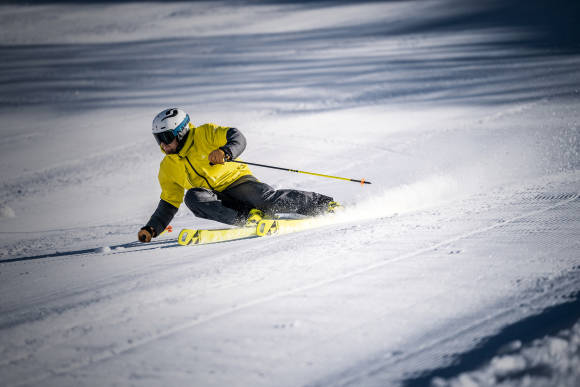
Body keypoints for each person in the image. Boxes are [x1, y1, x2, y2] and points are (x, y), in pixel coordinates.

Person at [138, 108, 339, 243]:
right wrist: (152, 228)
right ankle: (249, 218)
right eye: (159, 140)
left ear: (181, 132)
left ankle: (323, 204)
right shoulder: (168, 166)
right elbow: (169, 202)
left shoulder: (204, 134)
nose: (163, 145)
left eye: (167, 138)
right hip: (216, 198)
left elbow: (237, 137)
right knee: (193, 197)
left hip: (238, 182)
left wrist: (226, 152)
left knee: (266, 200)